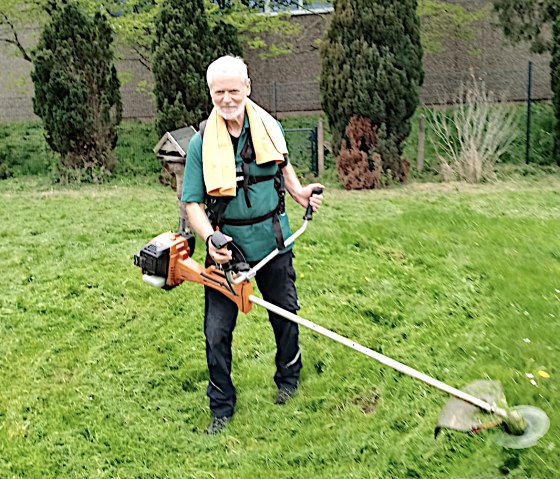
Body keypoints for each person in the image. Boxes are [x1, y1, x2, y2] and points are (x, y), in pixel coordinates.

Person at [182, 55, 324, 435]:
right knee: (216, 332)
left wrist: (299, 192)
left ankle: (289, 380)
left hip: (274, 242)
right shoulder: (200, 143)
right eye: (219, 92)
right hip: (226, 252)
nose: (227, 99)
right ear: (211, 93)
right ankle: (221, 406)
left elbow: (282, 165)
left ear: (247, 88)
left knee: (286, 315)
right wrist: (210, 238)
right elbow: (192, 203)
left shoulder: (269, 126)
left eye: (233, 90)